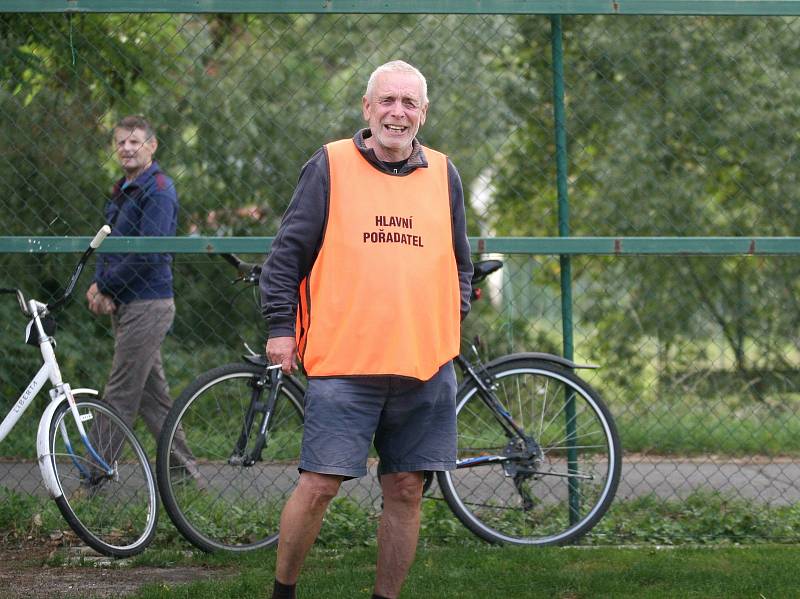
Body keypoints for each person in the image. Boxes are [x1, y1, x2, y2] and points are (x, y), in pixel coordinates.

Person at [260, 61, 473, 599]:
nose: (397, 113)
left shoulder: (444, 173)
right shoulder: (329, 166)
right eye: (387, 101)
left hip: (424, 366)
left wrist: (449, 318)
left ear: (423, 113)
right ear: (367, 107)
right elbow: (287, 257)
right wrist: (280, 329)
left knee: (406, 489)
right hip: (345, 364)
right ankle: (283, 592)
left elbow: (460, 263)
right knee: (319, 485)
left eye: (409, 103)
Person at [86, 115, 196, 478]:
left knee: (119, 392)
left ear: (152, 146)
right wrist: (101, 284)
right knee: (154, 398)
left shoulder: (159, 189)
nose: (127, 148)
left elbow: (149, 254)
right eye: (120, 142)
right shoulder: (123, 189)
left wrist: (107, 287)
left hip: (148, 304)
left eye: (135, 142)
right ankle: (184, 476)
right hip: (127, 301)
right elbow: (111, 245)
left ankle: (92, 479)